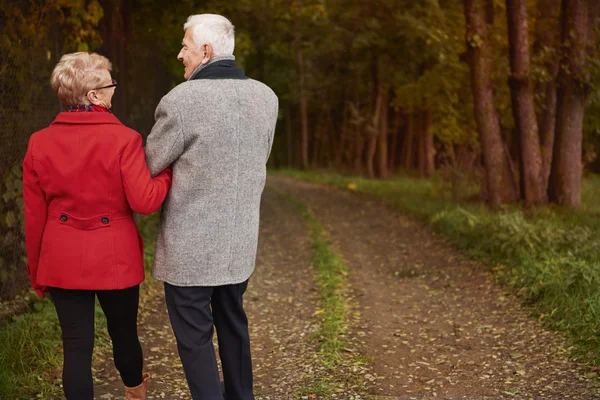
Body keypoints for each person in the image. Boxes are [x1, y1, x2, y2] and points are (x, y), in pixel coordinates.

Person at [22, 52, 172, 400]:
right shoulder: (124, 139)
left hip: (60, 258)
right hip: (113, 256)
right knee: (123, 334)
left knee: (76, 348)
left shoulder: (38, 142)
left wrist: (36, 271)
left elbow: (34, 216)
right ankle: (135, 393)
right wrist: (166, 173)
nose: (113, 89)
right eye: (109, 83)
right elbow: (145, 201)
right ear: (93, 96)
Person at [144, 14, 278, 400]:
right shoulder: (266, 97)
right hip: (238, 243)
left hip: (191, 250)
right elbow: (259, 158)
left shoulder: (181, 101)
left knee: (195, 337)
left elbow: (150, 164)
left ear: (206, 51)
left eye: (185, 46)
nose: (179, 54)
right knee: (233, 322)